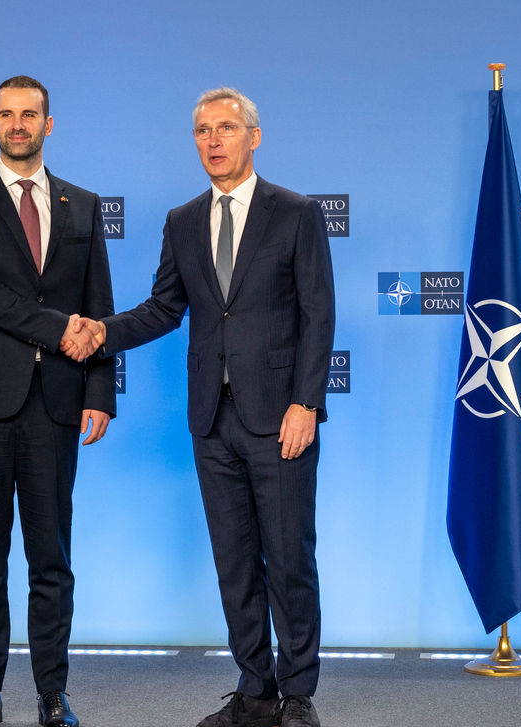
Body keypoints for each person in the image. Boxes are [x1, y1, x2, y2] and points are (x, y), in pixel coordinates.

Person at [72, 87, 334, 727]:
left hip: (280, 418)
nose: (212, 141)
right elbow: (166, 307)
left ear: (253, 136)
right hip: (210, 422)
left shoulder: (296, 213)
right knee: (234, 559)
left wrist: (307, 403)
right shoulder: (182, 219)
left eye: (225, 128)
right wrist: (104, 330)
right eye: (201, 130)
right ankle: (255, 688)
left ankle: (297, 695)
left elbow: (318, 314)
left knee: (289, 558)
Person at [0, 75, 113, 727]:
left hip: (57, 403)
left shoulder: (84, 204)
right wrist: (56, 327)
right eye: (6, 114)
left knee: (51, 559)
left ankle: (51, 692)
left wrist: (100, 389)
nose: (17, 124)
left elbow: (97, 305)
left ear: (48, 123)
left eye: (29, 114)